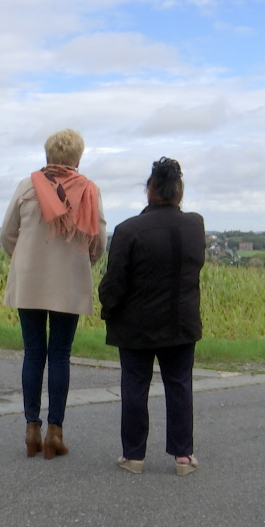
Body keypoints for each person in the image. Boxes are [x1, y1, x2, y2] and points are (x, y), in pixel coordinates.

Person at [1, 128, 106, 459]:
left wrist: (26, 259)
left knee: (33, 353)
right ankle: (54, 433)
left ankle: (31, 429)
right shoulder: (89, 190)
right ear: (77, 158)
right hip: (70, 282)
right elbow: (99, 241)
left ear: (48, 156)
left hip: (29, 280)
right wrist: (82, 262)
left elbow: (7, 233)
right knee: (60, 355)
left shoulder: (26, 186)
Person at [98, 157, 205, 476]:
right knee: (179, 386)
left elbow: (113, 281)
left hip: (136, 325)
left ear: (149, 190)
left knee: (134, 386)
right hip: (181, 322)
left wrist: (109, 311)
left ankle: (133, 457)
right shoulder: (195, 225)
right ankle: (183, 458)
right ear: (179, 191)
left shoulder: (128, 229)